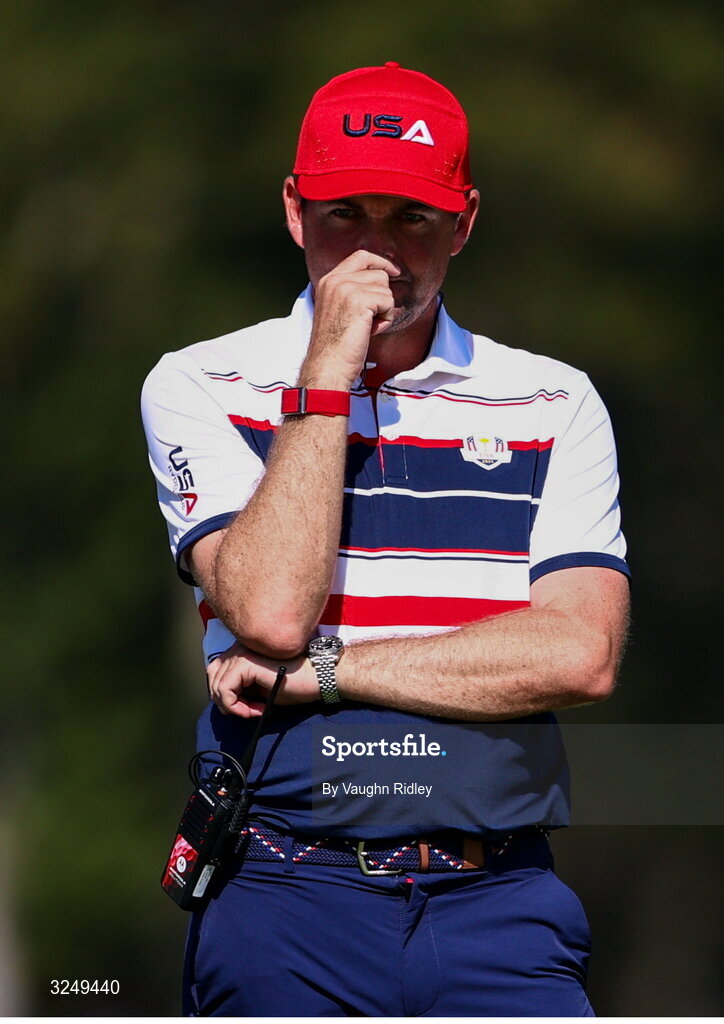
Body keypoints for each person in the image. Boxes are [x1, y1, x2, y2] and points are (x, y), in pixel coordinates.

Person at [142, 61, 630, 1017]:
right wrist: (327, 368)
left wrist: (329, 672)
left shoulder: (554, 398)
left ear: (465, 222)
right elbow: (273, 609)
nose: (378, 254)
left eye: (412, 218)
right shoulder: (199, 384)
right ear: (293, 210)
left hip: (501, 899)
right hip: (284, 893)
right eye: (344, 215)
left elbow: (580, 651)